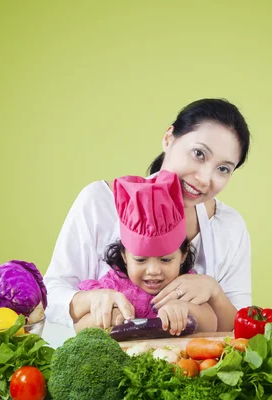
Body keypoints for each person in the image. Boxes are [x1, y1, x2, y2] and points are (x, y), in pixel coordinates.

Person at [44, 98, 252, 331]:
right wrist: (91, 301)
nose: (204, 178)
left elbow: (241, 330)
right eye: (199, 154)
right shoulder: (98, 202)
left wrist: (213, 291)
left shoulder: (230, 227)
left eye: (223, 169)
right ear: (168, 138)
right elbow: (50, 295)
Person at [72, 171, 217, 334]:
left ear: (183, 256)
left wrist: (185, 309)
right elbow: (79, 328)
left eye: (166, 260)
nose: (153, 271)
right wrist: (107, 317)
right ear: (124, 256)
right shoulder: (112, 287)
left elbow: (212, 323)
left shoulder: (183, 286)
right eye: (141, 260)